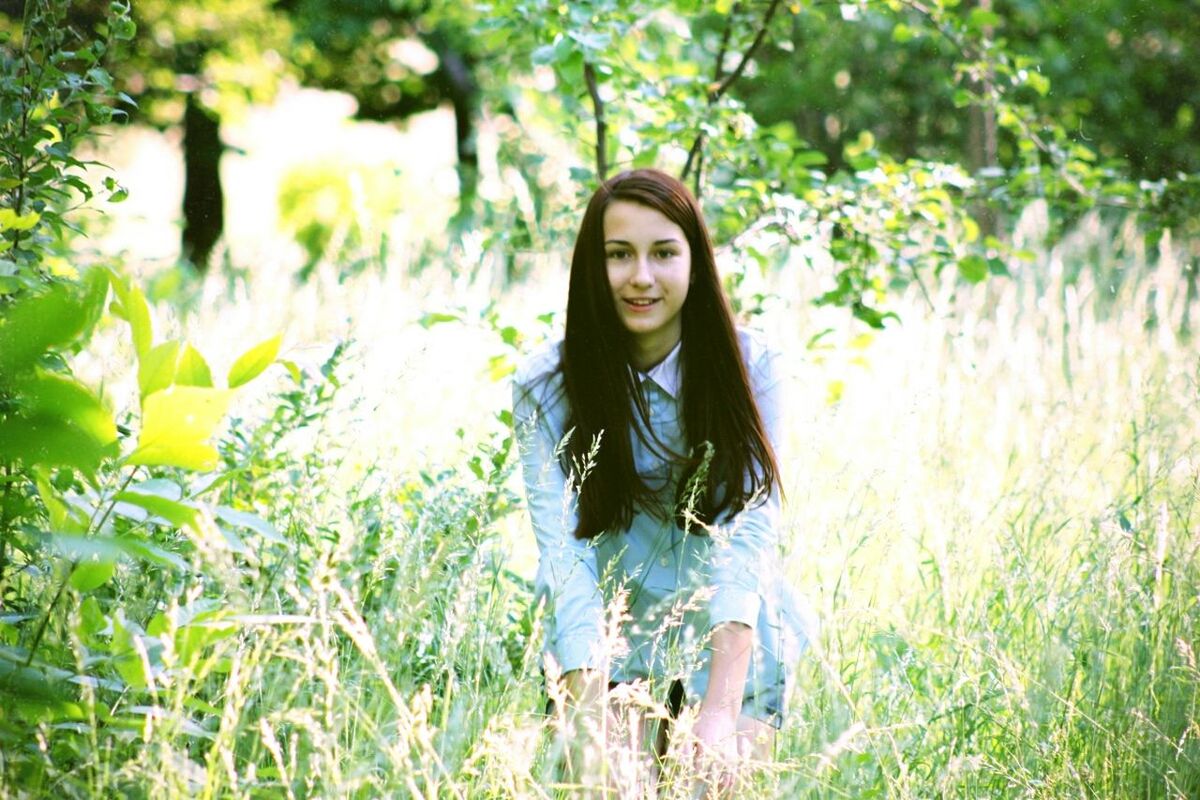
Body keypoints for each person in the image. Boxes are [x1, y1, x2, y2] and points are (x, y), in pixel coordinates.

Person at [511, 168, 814, 796]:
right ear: (592, 269)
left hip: (732, 627)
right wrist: (588, 711)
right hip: (611, 632)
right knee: (614, 785)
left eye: (664, 253)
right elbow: (565, 558)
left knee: (711, 782)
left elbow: (748, 538)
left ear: (696, 263)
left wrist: (721, 711)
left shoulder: (754, 368)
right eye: (618, 255)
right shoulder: (545, 386)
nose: (641, 277)